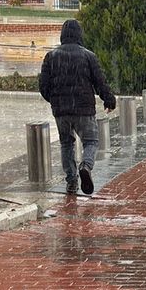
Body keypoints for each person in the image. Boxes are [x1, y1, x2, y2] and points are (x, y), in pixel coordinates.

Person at [39, 19, 116, 195]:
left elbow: (43, 86)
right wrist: (109, 100)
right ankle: (86, 166)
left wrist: (55, 100)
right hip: (84, 109)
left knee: (67, 144)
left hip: (61, 111)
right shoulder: (88, 56)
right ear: (79, 34)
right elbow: (100, 82)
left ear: (62, 35)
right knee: (91, 141)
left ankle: (71, 181)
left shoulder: (51, 56)